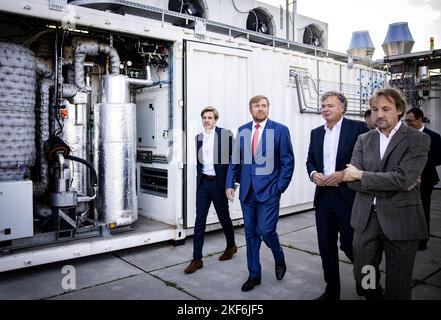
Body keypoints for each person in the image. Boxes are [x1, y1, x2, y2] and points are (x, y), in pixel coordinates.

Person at [344, 88, 430, 300]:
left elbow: (403, 179)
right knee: (364, 274)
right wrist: (392, 182)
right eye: (375, 109)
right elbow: (350, 180)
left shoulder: (417, 140)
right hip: (366, 219)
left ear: (399, 110)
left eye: (385, 109)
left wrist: (362, 175)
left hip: (401, 220)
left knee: (398, 282)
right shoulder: (364, 139)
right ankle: (373, 296)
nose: (379, 114)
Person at [225, 95, 294, 292]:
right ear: (251, 109)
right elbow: (235, 160)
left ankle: (279, 257)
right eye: (257, 106)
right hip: (247, 192)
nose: (260, 109)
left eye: (264, 106)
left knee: (266, 231)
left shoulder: (280, 130)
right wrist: (230, 183)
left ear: (268, 108)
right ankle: (254, 274)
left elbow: (287, 162)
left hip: (269, 192)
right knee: (250, 234)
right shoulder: (243, 130)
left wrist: (279, 187)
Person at [306, 91, 369, 300]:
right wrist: (314, 174)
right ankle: (332, 291)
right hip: (324, 198)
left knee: (355, 247)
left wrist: (344, 175)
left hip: (349, 198)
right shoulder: (316, 133)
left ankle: (370, 287)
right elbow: (310, 161)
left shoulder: (359, 128)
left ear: (342, 108)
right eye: (323, 105)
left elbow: (368, 160)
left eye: (330, 105)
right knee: (326, 247)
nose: (325, 109)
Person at [184, 106, 237, 274]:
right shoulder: (198, 138)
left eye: (210, 118)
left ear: (216, 120)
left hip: (219, 184)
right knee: (200, 220)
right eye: (204, 118)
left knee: (223, 217)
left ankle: (231, 245)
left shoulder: (225, 135)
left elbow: (235, 160)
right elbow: (201, 164)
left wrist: (232, 184)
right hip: (204, 184)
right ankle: (197, 258)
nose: (207, 120)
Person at [405, 107, 441, 251]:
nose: (408, 124)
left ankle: (422, 240)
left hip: (425, 179)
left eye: (410, 121)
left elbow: (439, 157)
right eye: (406, 121)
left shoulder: (433, 136)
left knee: (423, 209)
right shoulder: (405, 135)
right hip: (406, 180)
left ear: (419, 119)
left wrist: (419, 165)